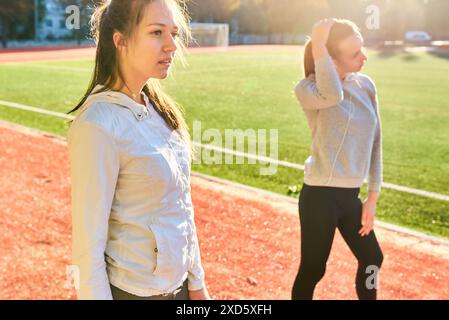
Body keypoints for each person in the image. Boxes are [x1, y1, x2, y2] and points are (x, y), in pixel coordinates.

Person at [66, 0, 210, 300]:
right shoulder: (97, 125)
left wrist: (197, 284)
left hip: (180, 289)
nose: (171, 45)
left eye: (174, 33)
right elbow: (87, 246)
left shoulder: (161, 111)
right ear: (121, 41)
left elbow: (181, 205)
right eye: (157, 32)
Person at [292, 18, 384, 300]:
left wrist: (372, 196)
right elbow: (333, 94)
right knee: (313, 269)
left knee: (372, 259)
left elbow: (376, 140)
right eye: (355, 54)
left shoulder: (366, 85)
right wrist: (318, 45)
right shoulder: (308, 90)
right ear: (330, 59)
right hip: (320, 196)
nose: (364, 57)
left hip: (350, 198)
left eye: (362, 49)